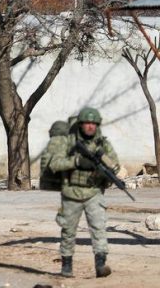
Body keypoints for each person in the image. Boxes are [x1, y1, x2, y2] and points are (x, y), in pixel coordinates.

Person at [46, 107, 119, 278]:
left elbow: (114, 164)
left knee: (99, 228)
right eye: (87, 123)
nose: (90, 126)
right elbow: (54, 164)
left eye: (94, 123)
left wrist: (103, 171)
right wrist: (77, 161)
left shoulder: (103, 144)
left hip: (94, 192)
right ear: (80, 124)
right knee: (68, 231)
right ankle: (66, 266)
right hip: (71, 192)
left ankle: (100, 264)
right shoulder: (68, 142)